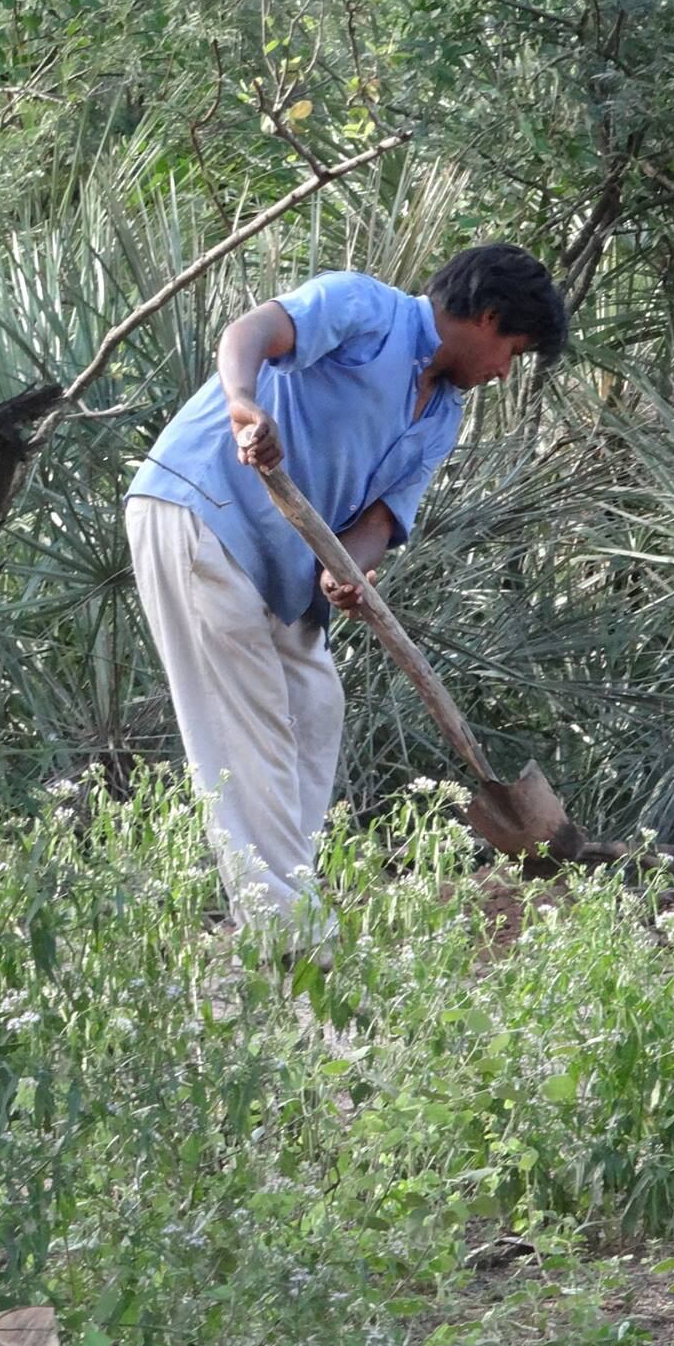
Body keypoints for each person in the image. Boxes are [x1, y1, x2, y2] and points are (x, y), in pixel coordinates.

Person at [124, 242, 567, 956]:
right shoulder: (365, 309)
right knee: (250, 725)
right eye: (511, 351)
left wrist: (349, 572)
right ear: (486, 319)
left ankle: (279, 902)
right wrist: (243, 405)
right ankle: (289, 935)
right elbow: (251, 333)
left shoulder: (441, 418)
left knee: (314, 706)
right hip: (201, 508)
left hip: (285, 565)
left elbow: (381, 522)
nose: (504, 371)